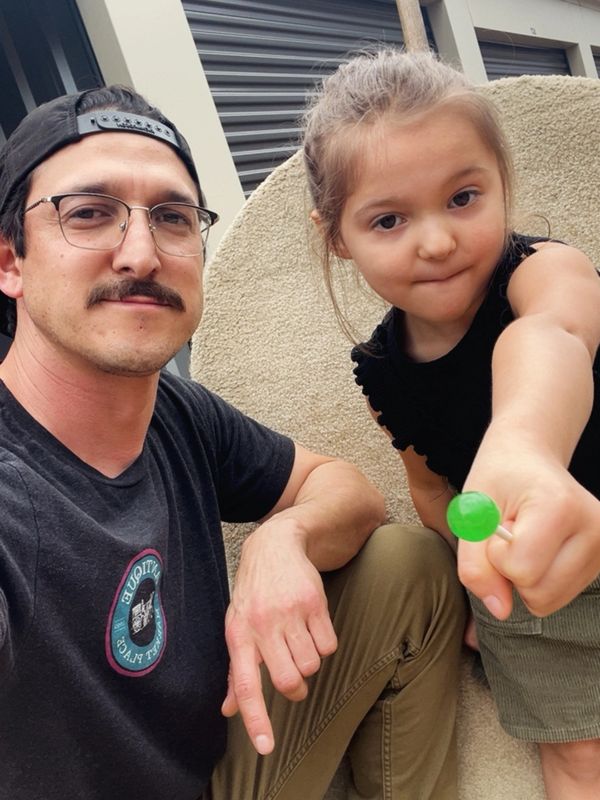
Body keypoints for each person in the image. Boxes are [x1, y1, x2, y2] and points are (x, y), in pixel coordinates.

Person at [0, 84, 466, 800]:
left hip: (217, 771)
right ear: (11, 262)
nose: (141, 254)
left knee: (407, 565)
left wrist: (284, 540)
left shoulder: (178, 413)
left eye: (172, 217)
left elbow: (345, 489)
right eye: (89, 213)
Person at [303, 48, 600, 800]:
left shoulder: (546, 273)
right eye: (389, 219)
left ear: (502, 182)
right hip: (534, 590)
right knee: (578, 758)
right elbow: (433, 489)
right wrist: (474, 582)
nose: (436, 241)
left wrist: (525, 445)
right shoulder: (382, 372)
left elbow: (555, 335)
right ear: (337, 236)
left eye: (463, 197)